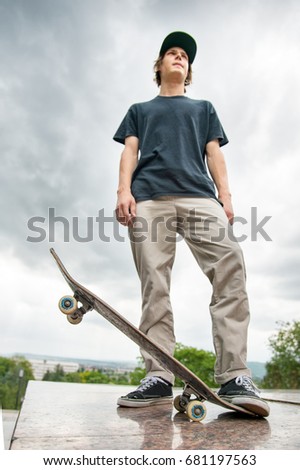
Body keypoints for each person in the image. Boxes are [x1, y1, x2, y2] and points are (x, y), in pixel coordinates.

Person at [113, 31, 269, 417]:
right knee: (155, 281)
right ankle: (158, 376)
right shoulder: (139, 109)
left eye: (184, 55)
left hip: (200, 197)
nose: (179, 58)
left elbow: (214, 154)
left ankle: (234, 375)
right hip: (149, 197)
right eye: (172, 53)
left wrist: (226, 197)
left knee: (230, 263)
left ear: (189, 70)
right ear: (160, 66)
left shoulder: (203, 108)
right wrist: (122, 191)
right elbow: (129, 152)